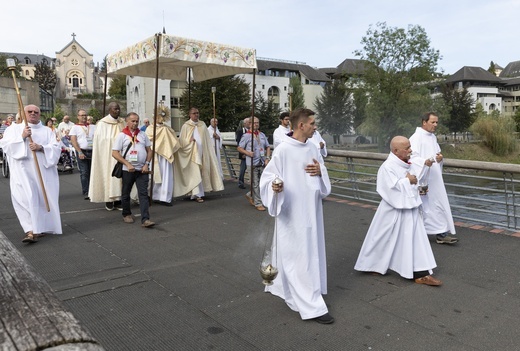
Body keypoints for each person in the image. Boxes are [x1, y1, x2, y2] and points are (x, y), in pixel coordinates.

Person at [259, 108, 334, 324]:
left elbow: (321, 173)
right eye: (312, 123)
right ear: (300, 125)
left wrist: (321, 172)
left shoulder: (312, 146)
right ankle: (312, 306)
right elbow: (269, 178)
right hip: (291, 213)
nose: (315, 127)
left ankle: (306, 289)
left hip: (311, 211)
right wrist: (275, 186)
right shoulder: (283, 150)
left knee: (310, 252)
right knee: (297, 255)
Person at [354, 136, 441, 286]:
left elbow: (416, 176)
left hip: (409, 209)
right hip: (394, 209)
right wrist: (409, 181)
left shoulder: (405, 163)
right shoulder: (387, 167)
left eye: (409, 147)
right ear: (395, 151)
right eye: (407, 148)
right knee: (382, 238)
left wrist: (416, 179)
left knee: (414, 240)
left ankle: (420, 273)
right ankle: (372, 265)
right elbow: (388, 188)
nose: (410, 150)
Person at [0, 105, 62, 243]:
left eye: (36, 112)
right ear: (23, 113)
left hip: (43, 172)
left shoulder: (47, 131)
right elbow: (5, 146)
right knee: (24, 198)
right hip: (22, 172)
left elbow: (56, 148)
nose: (33, 114)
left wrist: (41, 148)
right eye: (30, 112)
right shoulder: (13, 129)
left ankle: (40, 227)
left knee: (40, 198)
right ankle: (29, 229)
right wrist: (21, 137)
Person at [409, 112, 458, 245]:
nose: (436, 125)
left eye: (437, 122)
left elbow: (437, 153)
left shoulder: (432, 137)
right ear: (424, 122)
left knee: (438, 203)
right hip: (423, 179)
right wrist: (424, 162)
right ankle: (419, 233)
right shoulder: (416, 138)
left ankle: (441, 233)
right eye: (433, 122)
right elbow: (411, 158)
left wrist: (440, 158)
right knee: (424, 206)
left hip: (435, 178)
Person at [112, 112, 155, 227]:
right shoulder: (122, 135)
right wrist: (127, 163)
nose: (135, 123)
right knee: (126, 192)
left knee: (143, 194)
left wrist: (146, 164)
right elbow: (115, 153)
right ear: (127, 121)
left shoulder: (142, 134)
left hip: (142, 170)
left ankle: (145, 219)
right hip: (128, 170)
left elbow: (149, 151)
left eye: (137, 121)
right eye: (133, 121)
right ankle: (126, 214)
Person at [174, 107, 224, 202]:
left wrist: (209, 151)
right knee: (195, 173)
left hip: (203, 153)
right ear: (190, 115)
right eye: (194, 113)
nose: (196, 115)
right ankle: (197, 194)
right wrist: (188, 140)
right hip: (192, 154)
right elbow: (181, 140)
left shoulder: (202, 124)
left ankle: (201, 192)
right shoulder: (186, 126)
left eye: (197, 113)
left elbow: (207, 140)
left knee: (202, 172)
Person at [88, 102, 125, 210]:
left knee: (120, 177)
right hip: (106, 154)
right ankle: (108, 200)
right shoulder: (102, 123)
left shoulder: (122, 122)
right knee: (108, 175)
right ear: (109, 110)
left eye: (118, 108)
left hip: (121, 154)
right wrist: (112, 141)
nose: (117, 111)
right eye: (115, 109)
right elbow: (100, 140)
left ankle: (118, 200)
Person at [145, 112, 180, 206]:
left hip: (166, 155)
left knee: (166, 176)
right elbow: (147, 140)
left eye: (162, 116)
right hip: (155, 154)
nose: (160, 118)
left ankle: (165, 198)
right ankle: (150, 195)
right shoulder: (150, 128)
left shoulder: (167, 128)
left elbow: (174, 140)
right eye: (158, 116)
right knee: (153, 176)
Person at [237, 116, 270, 211]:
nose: (256, 124)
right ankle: (258, 203)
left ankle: (250, 194)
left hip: (262, 162)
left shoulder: (262, 135)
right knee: (255, 183)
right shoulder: (246, 136)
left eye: (257, 123)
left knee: (262, 183)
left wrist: (267, 158)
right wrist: (247, 153)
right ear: (250, 124)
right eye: (254, 123)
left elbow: (267, 147)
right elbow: (239, 148)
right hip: (252, 163)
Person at [70, 109, 96, 199]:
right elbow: (73, 140)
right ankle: (86, 190)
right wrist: (79, 151)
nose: (84, 117)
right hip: (82, 151)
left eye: (85, 115)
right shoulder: (75, 127)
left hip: (92, 151)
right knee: (84, 172)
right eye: (82, 115)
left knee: (92, 171)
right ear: (78, 117)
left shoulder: (92, 127)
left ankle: (93, 190)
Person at [235, 117, 250, 189]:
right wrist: (242, 153)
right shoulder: (240, 131)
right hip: (244, 153)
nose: (250, 124)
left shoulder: (253, 131)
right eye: (248, 122)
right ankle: (240, 182)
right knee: (242, 169)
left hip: (250, 153)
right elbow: (238, 143)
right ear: (244, 124)